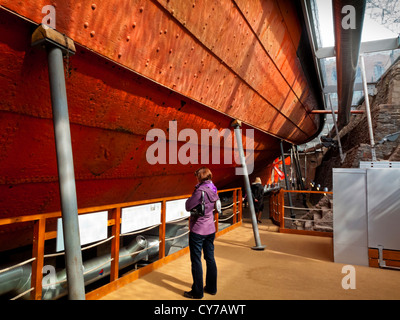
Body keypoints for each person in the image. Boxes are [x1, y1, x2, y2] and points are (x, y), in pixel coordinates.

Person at [184, 167, 219, 299]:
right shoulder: (214, 188)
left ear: (200, 177)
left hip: (198, 230)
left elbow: (188, 206)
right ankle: (211, 287)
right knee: (210, 258)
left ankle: (197, 292)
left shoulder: (200, 191)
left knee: (196, 260)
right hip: (210, 229)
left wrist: (192, 195)